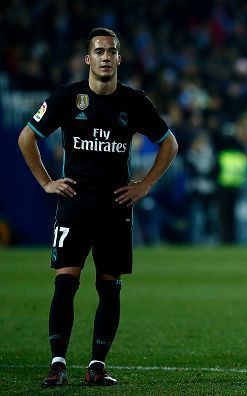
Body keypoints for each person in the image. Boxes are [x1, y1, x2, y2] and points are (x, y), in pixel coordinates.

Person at [18, 27, 178, 387]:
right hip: (74, 204)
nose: (106, 57)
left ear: (119, 59)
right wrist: (46, 182)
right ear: (88, 59)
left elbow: (169, 144)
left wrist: (145, 184)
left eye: (112, 51)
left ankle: (96, 365)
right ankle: (57, 364)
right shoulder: (67, 98)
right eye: (99, 51)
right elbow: (26, 137)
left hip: (115, 208)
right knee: (65, 284)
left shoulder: (134, 101)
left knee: (110, 287)